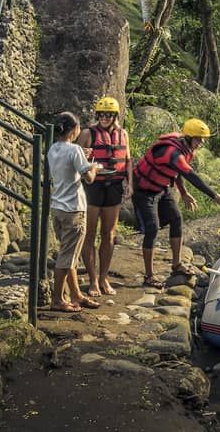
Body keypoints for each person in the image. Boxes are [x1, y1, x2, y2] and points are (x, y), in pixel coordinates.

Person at [131, 118, 220, 289]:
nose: (201, 143)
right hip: (143, 191)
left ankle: (177, 265)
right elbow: (191, 176)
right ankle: (149, 276)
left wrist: (183, 193)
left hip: (162, 188)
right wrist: (215, 196)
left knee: (177, 219)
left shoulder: (185, 148)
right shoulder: (173, 153)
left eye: (203, 139)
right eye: (199, 139)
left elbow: (176, 173)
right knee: (152, 228)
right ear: (188, 137)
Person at [46, 112, 101, 312]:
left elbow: (67, 166)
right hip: (73, 209)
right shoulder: (75, 149)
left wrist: (82, 158)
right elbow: (89, 178)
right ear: (74, 130)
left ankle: (76, 294)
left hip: (58, 208)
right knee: (67, 257)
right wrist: (94, 166)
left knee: (69, 254)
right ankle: (58, 299)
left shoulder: (53, 148)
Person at [80, 96, 131, 297]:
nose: (105, 118)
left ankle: (103, 278)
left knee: (109, 235)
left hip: (114, 186)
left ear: (115, 116)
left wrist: (130, 185)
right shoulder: (87, 133)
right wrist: (83, 154)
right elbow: (77, 158)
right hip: (93, 187)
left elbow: (127, 160)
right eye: (102, 114)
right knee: (90, 234)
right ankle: (92, 280)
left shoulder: (123, 134)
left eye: (109, 115)